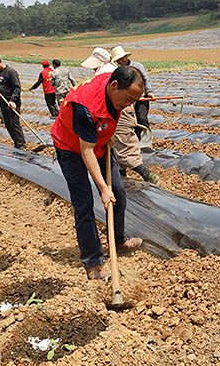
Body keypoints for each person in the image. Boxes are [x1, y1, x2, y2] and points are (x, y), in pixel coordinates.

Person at [51, 65, 144, 280]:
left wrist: (108, 132)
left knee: (118, 193)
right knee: (84, 202)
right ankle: (92, 261)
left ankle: (118, 240)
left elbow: (108, 118)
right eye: (129, 99)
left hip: (99, 144)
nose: (129, 105)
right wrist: (102, 188)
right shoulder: (85, 105)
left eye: (133, 101)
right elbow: (86, 150)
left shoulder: (113, 85)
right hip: (71, 148)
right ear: (114, 86)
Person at [82, 49, 159, 184]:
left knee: (124, 143)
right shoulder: (115, 71)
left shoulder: (107, 73)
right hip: (121, 110)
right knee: (117, 145)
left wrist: (149, 92)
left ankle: (148, 176)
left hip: (119, 112)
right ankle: (123, 177)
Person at [110, 46, 154, 139]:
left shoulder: (138, 66)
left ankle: (143, 140)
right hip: (125, 100)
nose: (122, 61)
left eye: (123, 58)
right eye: (119, 60)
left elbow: (145, 79)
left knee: (142, 120)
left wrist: (149, 91)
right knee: (127, 122)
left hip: (140, 98)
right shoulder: (119, 71)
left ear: (126, 56)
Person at [0, 54, 26, 149]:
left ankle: (21, 144)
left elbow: (17, 88)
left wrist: (13, 100)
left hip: (13, 102)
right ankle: (16, 143)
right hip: (3, 101)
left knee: (14, 123)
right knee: (7, 124)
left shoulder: (11, 72)